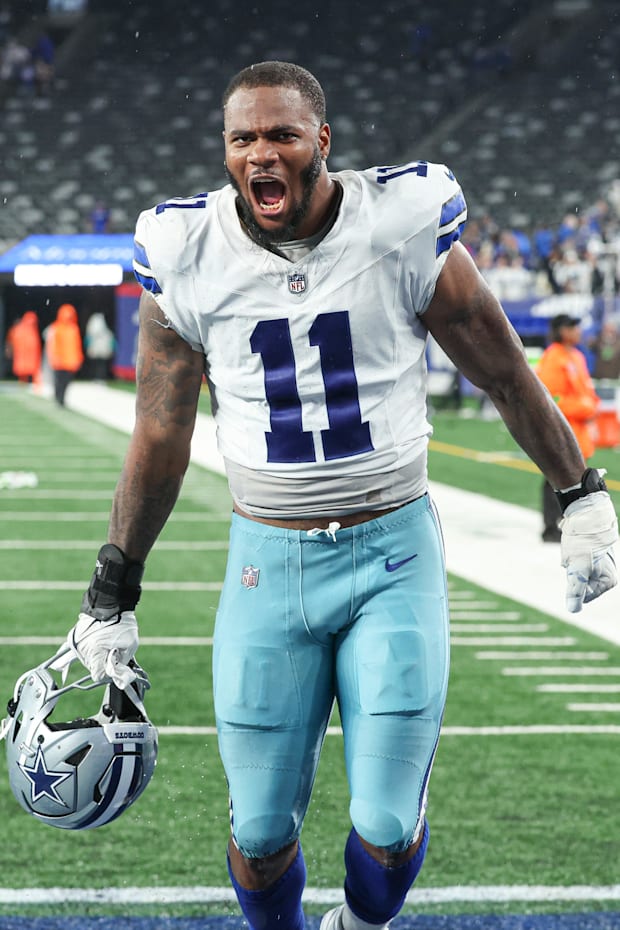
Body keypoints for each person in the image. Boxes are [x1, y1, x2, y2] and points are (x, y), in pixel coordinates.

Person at [61, 62, 617, 930]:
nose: (260, 153)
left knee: (388, 826)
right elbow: (161, 434)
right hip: (266, 561)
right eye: (242, 138)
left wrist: (580, 492)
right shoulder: (187, 250)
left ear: (322, 140)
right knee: (257, 829)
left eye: (281, 134)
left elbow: (507, 373)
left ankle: (360, 926)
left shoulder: (399, 224)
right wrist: (112, 586)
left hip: (390, 551)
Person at [536, 314, 600, 542]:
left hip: (578, 430)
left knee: (575, 478)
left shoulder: (577, 356)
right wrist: (584, 407)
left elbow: (588, 394)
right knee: (555, 478)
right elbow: (551, 399)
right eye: (572, 327)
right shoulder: (553, 357)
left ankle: (570, 523)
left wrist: (590, 406)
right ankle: (550, 526)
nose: (577, 331)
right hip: (562, 429)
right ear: (561, 330)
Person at [45, 302, 84, 406]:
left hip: (70, 361)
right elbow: (52, 345)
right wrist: (54, 357)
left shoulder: (74, 329)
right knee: (59, 381)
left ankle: (62, 398)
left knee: (67, 382)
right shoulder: (56, 328)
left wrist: (78, 358)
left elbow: (77, 345)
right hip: (59, 361)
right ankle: (58, 397)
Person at [5, 311, 41, 384]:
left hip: (29, 356)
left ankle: (30, 382)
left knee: (29, 370)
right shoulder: (19, 330)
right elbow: (10, 341)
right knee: (23, 370)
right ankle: (24, 381)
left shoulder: (32, 330)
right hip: (23, 355)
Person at [84, 311, 115, 381]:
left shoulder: (105, 333)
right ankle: (99, 377)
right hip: (100, 351)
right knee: (99, 365)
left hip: (97, 350)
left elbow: (87, 340)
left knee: (98, 365)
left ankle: (98, 377)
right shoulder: (106, 332)